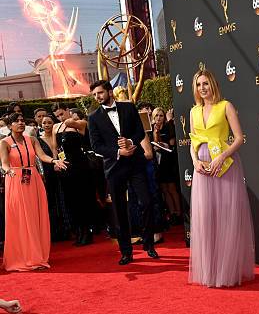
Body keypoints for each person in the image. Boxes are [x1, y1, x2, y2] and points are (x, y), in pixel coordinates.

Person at [189, 69, 254, 287]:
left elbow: (239, 138)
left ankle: (227, 272)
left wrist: (222, 156)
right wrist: (196, 161)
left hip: (224, 166)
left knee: (226, 217)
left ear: (213, 85)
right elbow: (193, 141)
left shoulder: (225, 106)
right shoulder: (193, 111)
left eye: (205, 84)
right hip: (202, 168)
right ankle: (210, 272)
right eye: (199, 85)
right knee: (206, 218)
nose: (202, 88)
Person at [87, 80, 159, 265]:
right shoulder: (93, 117)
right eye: (94, 95)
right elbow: (96, 146)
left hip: (135, 163)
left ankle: (149, 244)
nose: (98, 97)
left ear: (110, 92)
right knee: (119, 210)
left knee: (147, 202)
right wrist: (119, 151)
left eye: (100, 93)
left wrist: (130, 143)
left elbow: (140, 132)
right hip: (114, 167)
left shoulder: (128, 108)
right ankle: (126, 251)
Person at [0, 112, 68, 272]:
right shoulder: (4, 142)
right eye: (16, 121)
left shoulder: (32, 140)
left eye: (22, 120)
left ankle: (37, 255)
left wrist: (54, 160)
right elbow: (4, 163)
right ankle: (24, 257)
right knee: (21, 219)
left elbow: (42, 156)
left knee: (35, 216)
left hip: (34, 179)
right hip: (16, 180)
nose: (21, 123)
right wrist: (8, 171)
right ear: (9, 126)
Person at [52, 103, 96, 246]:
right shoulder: (55, 128)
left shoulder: (79, 123)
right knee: (70, 200)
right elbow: (55, 147)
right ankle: (78, 231)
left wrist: (68, 119)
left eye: (61, 114)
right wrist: (56, 162)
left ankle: (87, 232)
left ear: (67, 111)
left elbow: (73, 123)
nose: (59, 117)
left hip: (80, 165)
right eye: (56, 115)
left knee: (83, 198)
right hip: (66, 166)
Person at [39, 113, 71, 241]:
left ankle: (67, 228)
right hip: (46, 173)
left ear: (54, 124)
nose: (46, 125)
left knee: (63, 198)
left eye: (49, 123)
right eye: (44, 123)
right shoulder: (37, 139)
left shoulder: (58, 137)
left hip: (60, 170)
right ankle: (54, 231)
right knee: (51, 201)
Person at [152, 107, 182, 225]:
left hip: (169, 161)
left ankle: (179, 213)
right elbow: (154, 143)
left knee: (172, 188)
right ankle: (172, 213)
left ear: (164, 117)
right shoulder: (152, 129)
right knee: (164, 189)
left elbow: (172, 144)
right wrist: (155, 133)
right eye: (156, 116)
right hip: (159, 163)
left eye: (161, 115)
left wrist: (163, 143)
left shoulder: (168, 127)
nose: (159, 118)